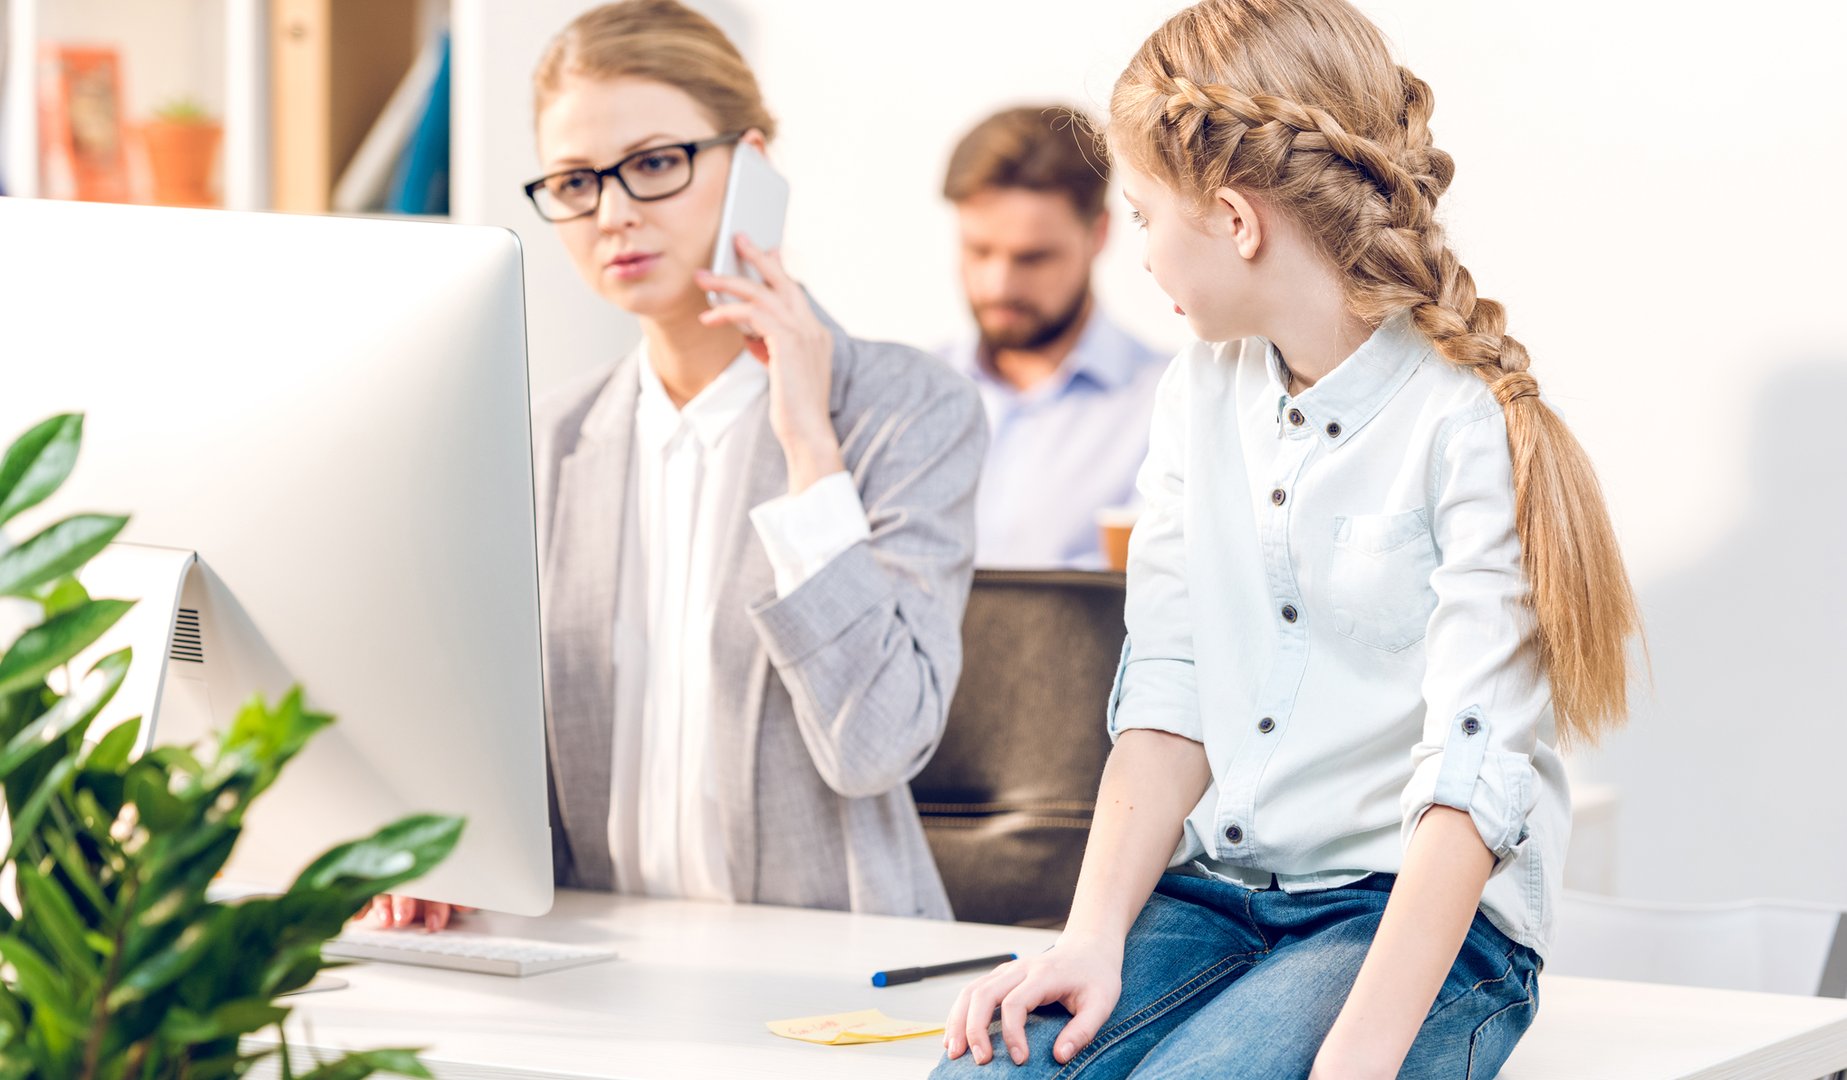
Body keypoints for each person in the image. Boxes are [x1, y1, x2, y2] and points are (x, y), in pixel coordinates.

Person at [935, 1, 1643, 1077]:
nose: (1140, 255)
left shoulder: (1464, 426)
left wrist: (1359, 1053)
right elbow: (1170, 683)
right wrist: (1087, 937)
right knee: (984, 1067)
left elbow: (1472, 781)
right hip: (1221, 894)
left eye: (1140, 215)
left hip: (1412, 923)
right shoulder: (1194, 394)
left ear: (1233, 218)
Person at [367, 0, 984, 931]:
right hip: (597, 963)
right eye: (575, 181)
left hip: (834, 972)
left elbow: (879, 742)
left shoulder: (906, 410)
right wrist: (441, 845)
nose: (612, 214)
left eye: (655, 164)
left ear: (756, 168)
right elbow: (494, 742)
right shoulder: (547, 440)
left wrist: (809, 446)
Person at [936, 106, 1166, 569]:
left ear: (1098, 234)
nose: (999, 285)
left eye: (1033, 258)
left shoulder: (1170, 406)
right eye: (978, 250)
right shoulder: (910, 395)